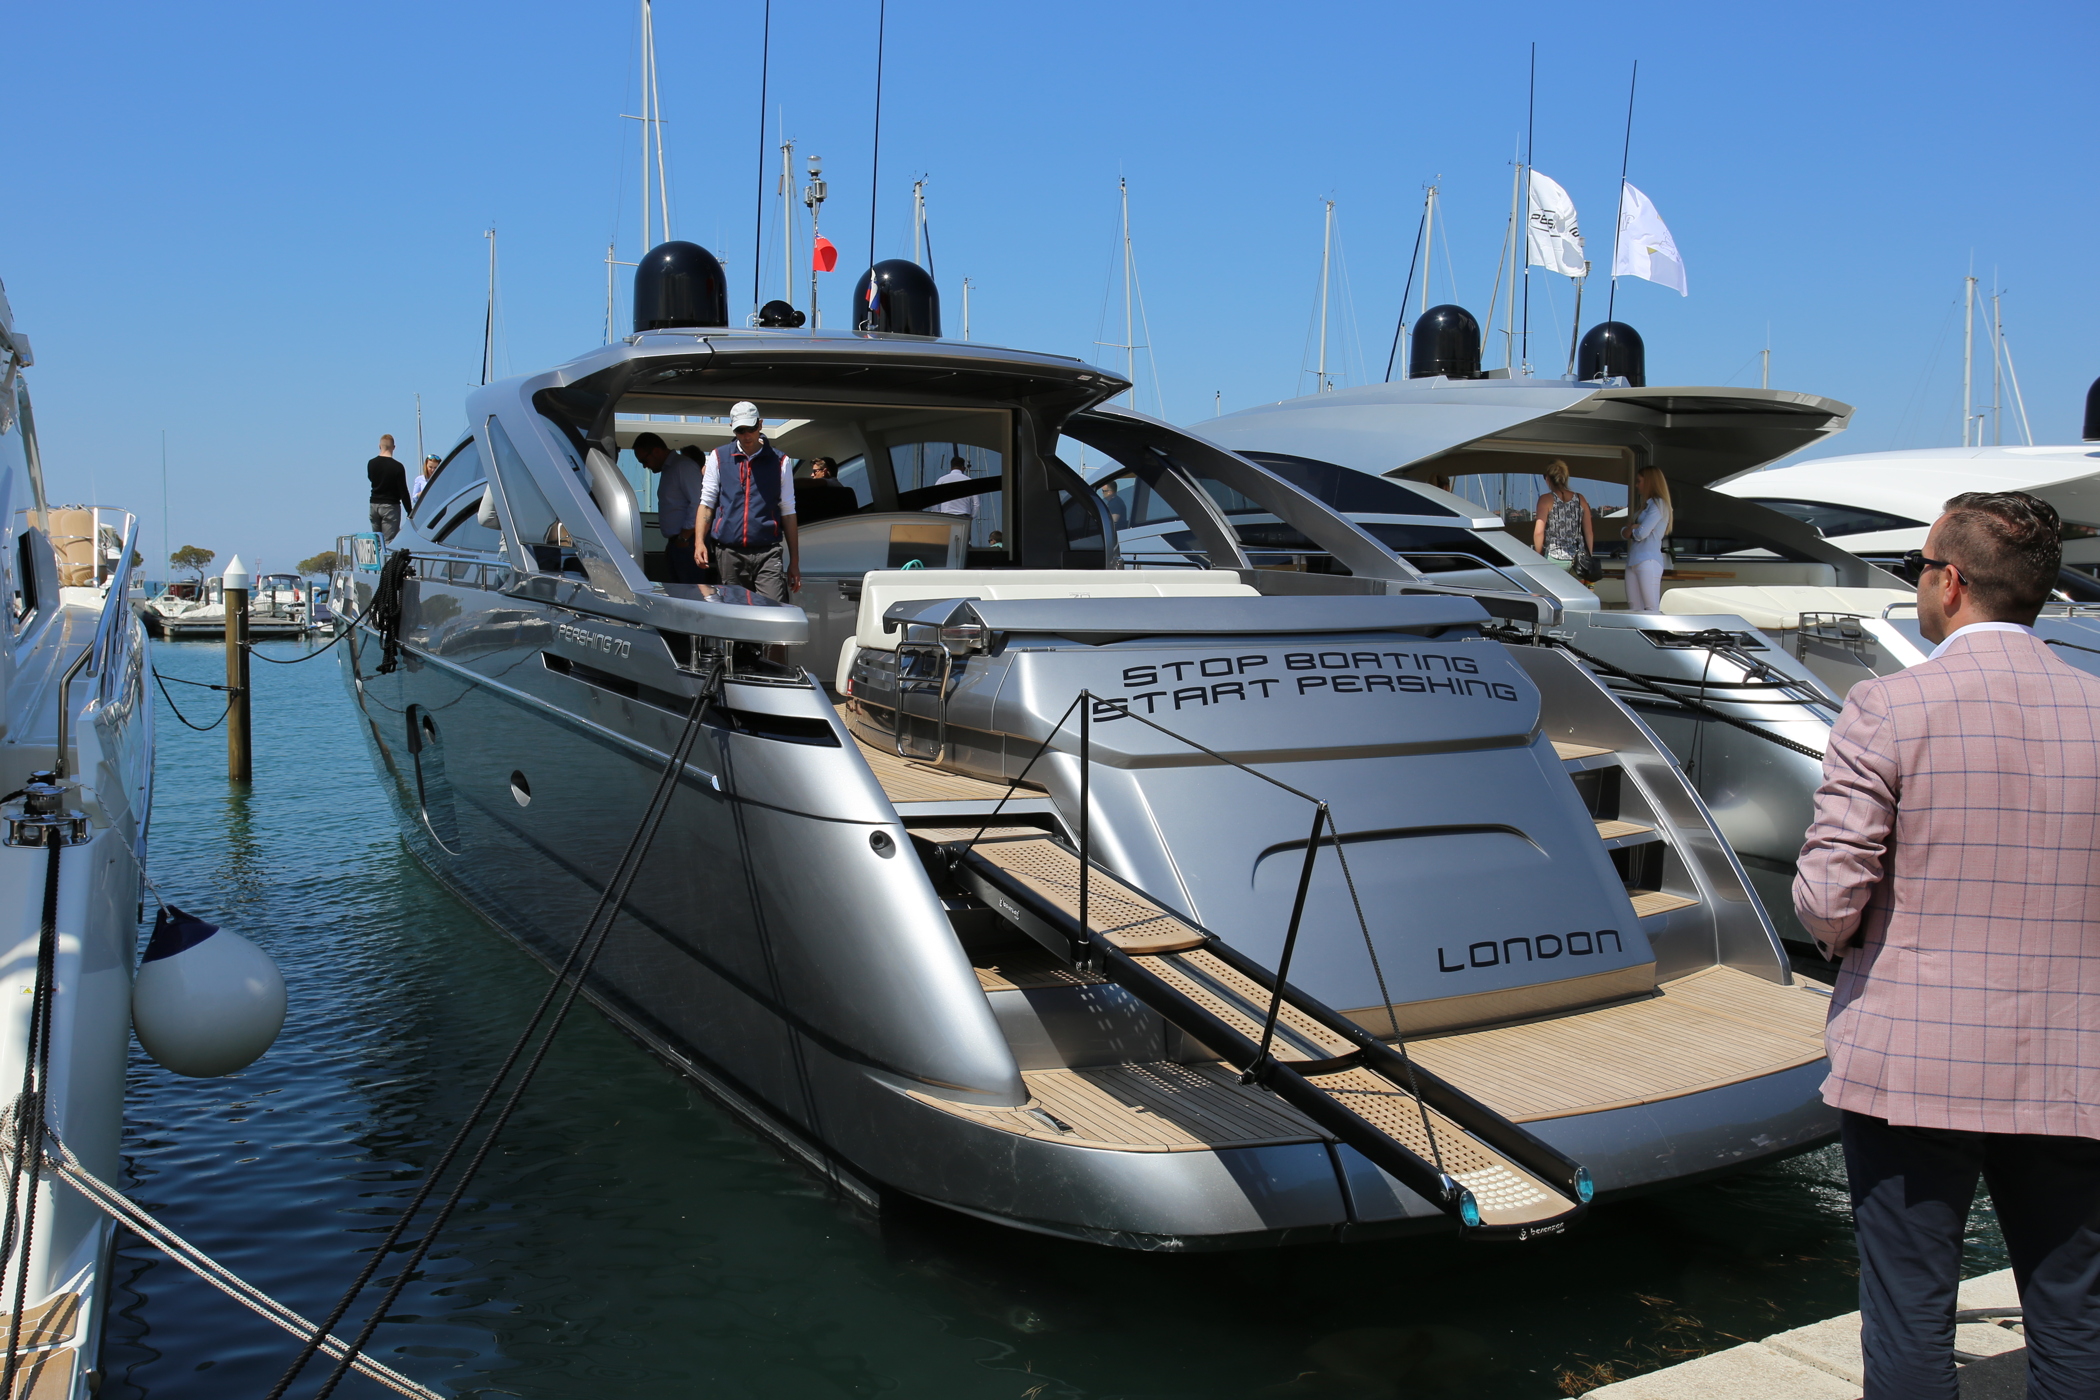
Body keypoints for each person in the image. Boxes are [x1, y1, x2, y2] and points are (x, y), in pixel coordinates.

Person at [1794, 490, 2100, 1400]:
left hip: (1914, 1058)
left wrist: (1845, 939)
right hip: (2073, 1057)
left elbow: (1828, 897)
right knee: (2075, 1315)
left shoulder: (1888, 706)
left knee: (1908, 1313)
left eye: (1920, 568)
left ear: (1952, 581)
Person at [695, 402, 798, 603]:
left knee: (772, 609)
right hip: (729, 551)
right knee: (735, 611)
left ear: (760, 424)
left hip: (768, 551)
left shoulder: (780, 461)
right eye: (740, 430)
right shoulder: (718, 457)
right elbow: (706, 503)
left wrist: (794, 561)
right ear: (732, 428)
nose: (746, 435)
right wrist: (699, 542)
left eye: (751, 428)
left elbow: (788, 511)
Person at [633, 432, 709, 584]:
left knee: (690, 592)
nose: (645, 466)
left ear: (656, 451)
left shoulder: (683, 467)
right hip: (678, 542)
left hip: (688, 542)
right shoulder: (671, 469)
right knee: (678, 590)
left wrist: (684, 537)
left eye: (644, 460)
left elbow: (699, 503)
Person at [1621, 466, 1673, 611]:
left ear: (1649, 482)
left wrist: (1633, 528)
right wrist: (1635, 527)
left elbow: (1641, 534)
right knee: (1634, 607)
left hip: (1648, 560)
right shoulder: (1645, 505)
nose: (1636, 485)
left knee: (1651, 607)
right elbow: (1625, 532)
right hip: (1634, 560)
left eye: (1639, 481)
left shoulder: (1659, 504)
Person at [1531, 460, 1592, 576]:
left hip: (1554, 557)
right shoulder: (1580, 499)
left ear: (1548, 478)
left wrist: (1538, 556)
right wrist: (1588, 557)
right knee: (1575, 588)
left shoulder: (1545, 500)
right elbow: (1589, 532)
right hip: (1578, 560)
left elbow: (1539, 532)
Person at [367, 435, 412, 541]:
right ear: (394, 447)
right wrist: (409, 511)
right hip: (390, 506)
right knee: (389, 541)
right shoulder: (398, 467)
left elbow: (371, 478)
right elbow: (403, 491)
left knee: (377, 541)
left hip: (374, 504)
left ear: (379, 446)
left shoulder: (371, 463)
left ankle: (377, 552)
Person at [797, 457, 859, 523]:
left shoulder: (832, 483)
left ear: (824, 471)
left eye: (814, 471)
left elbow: (807, 482)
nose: (812, 475)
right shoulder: (835, 487)